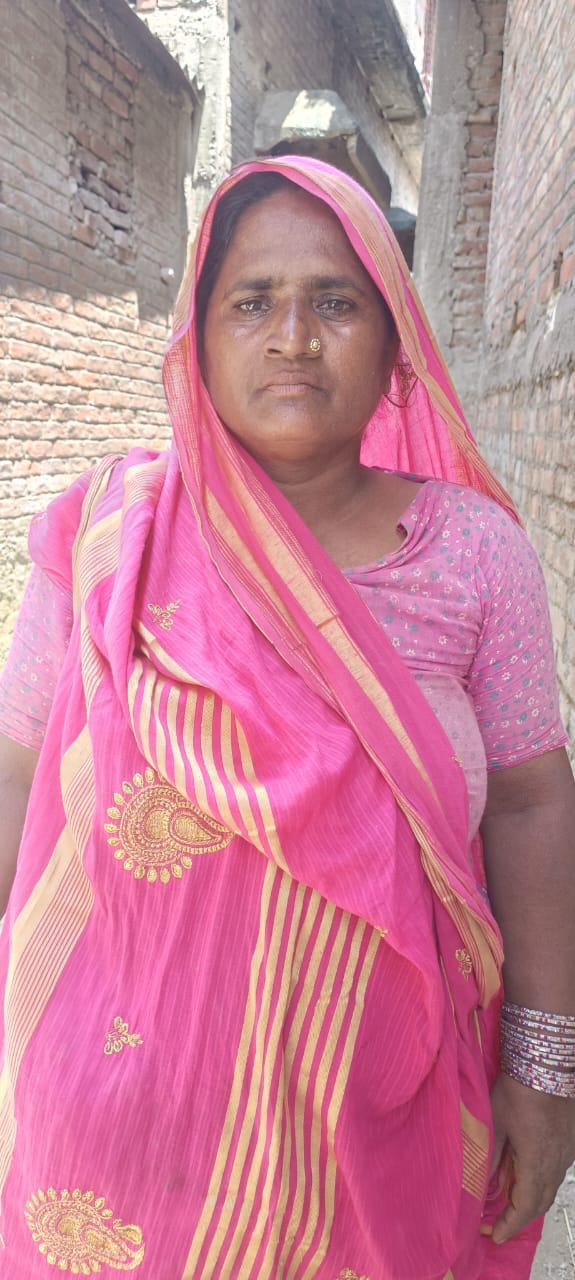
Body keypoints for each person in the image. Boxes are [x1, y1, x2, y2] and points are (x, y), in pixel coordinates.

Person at [0, 155, 573, 1280]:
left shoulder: (471, 554)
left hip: (382, 1122)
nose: (294, 339)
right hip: (117, 1126)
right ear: (198, 339)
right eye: (252, 302)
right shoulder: (111, 534)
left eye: (336, 302)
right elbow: (19, 770)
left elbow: (527, 801)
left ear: (395, 343)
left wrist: (545, 1064)